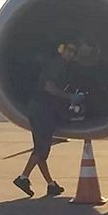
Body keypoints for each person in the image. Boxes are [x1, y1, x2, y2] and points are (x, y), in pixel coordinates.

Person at [13, 42, 83, 197]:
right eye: (70, 50)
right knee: (41, 148)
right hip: (43, 109)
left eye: (74, 51)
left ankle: (51, 184)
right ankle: (23, 177)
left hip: (40, 109)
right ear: (62, 50)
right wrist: (69, 97)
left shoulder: (61, 65)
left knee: (42, 148)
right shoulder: (56, 65)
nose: (72, 54)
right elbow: (48, 87)